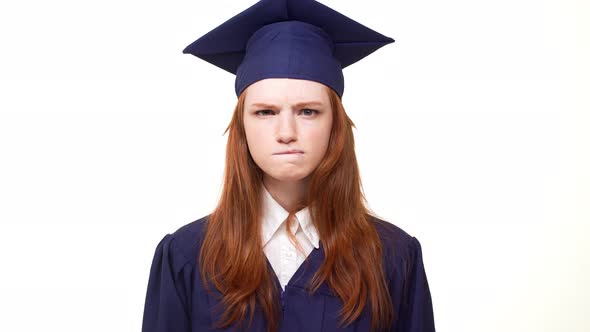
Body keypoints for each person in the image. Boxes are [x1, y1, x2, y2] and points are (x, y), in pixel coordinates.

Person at [141, 0, 435, 331]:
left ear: (334, 125)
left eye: (308, 111)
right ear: (242, 127)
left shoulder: (393, 258)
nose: (286, 133)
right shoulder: (187, 257)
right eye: (265, 112)